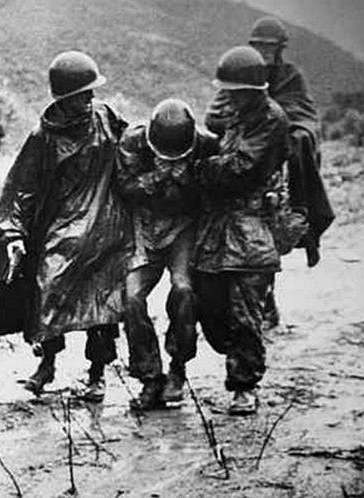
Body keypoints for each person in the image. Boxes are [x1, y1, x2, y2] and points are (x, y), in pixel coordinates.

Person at [0, 51, 130, 402]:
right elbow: (19, 189)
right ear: (66, 98)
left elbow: (130, 150)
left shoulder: (106, 117)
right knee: (45, 287)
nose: (91, 98)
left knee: (101, 301)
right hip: (61, 226)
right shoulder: (43, 136)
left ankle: (97, 373)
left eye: (92, 92)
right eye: (84, 93)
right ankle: (47, 364)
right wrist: (12, 234)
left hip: (104, 224)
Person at [206, 16, 335, 328]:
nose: (264, 52)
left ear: (280, 49)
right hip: (245, 153)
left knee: (300, 141)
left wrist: (268, 120)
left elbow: (301, 113)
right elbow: (213, 116)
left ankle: (304, 212)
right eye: (259, 46)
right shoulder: (240, 72)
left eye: (269, 46)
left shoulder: (290, 76)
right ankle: (264, 303)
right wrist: (243, 122)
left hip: (279, 148)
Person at [193, 46, 289, 415]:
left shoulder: (271, 119)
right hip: (218, 226)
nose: (228, 95)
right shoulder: (236, 112)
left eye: (234, 89)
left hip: (252, 228)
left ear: (253, 89)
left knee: (245, 311)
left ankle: (244, 386)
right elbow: (216, 135)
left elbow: (241, 168)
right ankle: (235, 356)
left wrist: (201, 170)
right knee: (209, 307)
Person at [115, 98, 219, 409]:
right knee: (132, 298)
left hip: (184, 229)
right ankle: (149, 377)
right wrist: (157, 177)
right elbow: (124, 188)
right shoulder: (132, 142)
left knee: (184, 291)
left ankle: (178, 367)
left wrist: (188, 178)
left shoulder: (206, 145)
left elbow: (217, 188)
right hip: (144, 228)